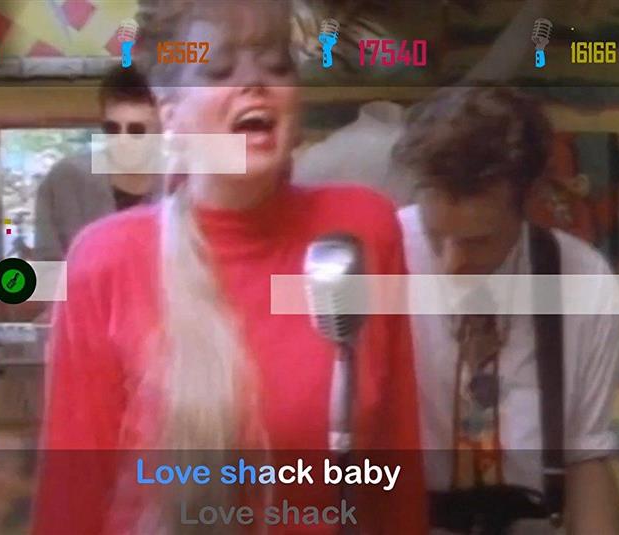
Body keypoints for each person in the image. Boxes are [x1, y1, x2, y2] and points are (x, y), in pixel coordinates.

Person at [32, 2, 427, 533]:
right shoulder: (105, 260)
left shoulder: (362, 229)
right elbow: (71, 497)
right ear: (170, 114)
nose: (255, 83)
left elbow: (396, 466)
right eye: (219, 70)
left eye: (277, 65)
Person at [392, 87, 619, 534]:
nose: (451, 263)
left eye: (478, 241)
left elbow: (586, 457)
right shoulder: (380, 256)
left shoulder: (584, 281)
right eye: (436, 234)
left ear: (530, 199)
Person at [33, 68, 161, 260]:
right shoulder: (66, 181)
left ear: (160, 127)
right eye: (112, 128)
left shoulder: (184, 187)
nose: (122, 140)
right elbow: (47, 265)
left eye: (137, 130)